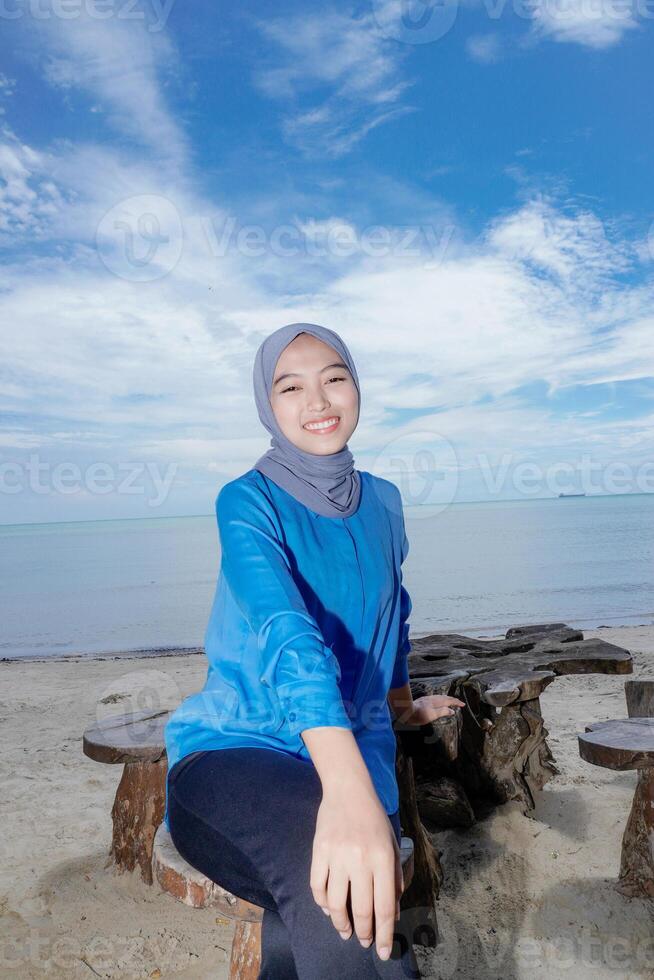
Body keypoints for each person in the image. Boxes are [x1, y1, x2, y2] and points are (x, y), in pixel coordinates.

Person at [163, 322, 464, 979]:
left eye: (334, 378)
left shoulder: (383, 500)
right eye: (290, 386)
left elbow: (392, 614)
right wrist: (346, 783)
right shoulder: (246, 500)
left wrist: (399, 704)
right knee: (345, 917)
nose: (318, 400)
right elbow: (287, 633)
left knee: (378, 950)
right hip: (239, 751)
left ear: (357, 385)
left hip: (355, 750)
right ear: (266, 406)